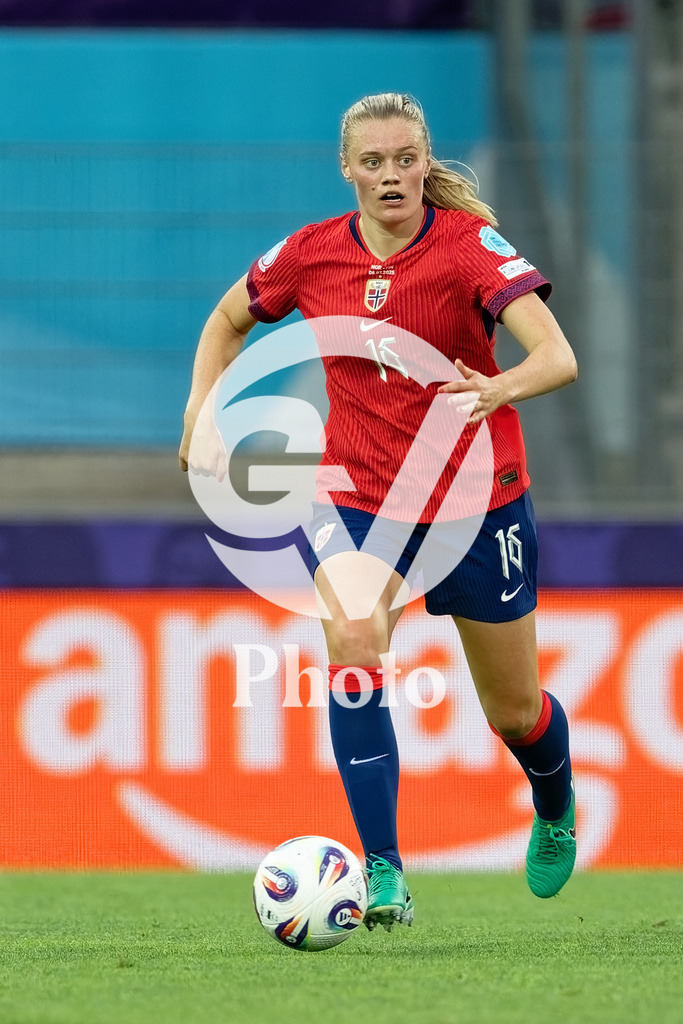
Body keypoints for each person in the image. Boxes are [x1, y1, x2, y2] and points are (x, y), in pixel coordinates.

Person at [179, 93, 578, 933]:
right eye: (373, 163)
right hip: (358, 495)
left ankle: (553, 801)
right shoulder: (309, 253)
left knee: (513, 712)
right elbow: (225, 320)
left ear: (425, 162)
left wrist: (498, 387)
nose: (390, 176)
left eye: (404, 160)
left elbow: (556, 356)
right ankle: (383, 868)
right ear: (346, 170)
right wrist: (201, 414)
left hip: (475, 500)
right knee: (355, 640)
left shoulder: (467, 249)